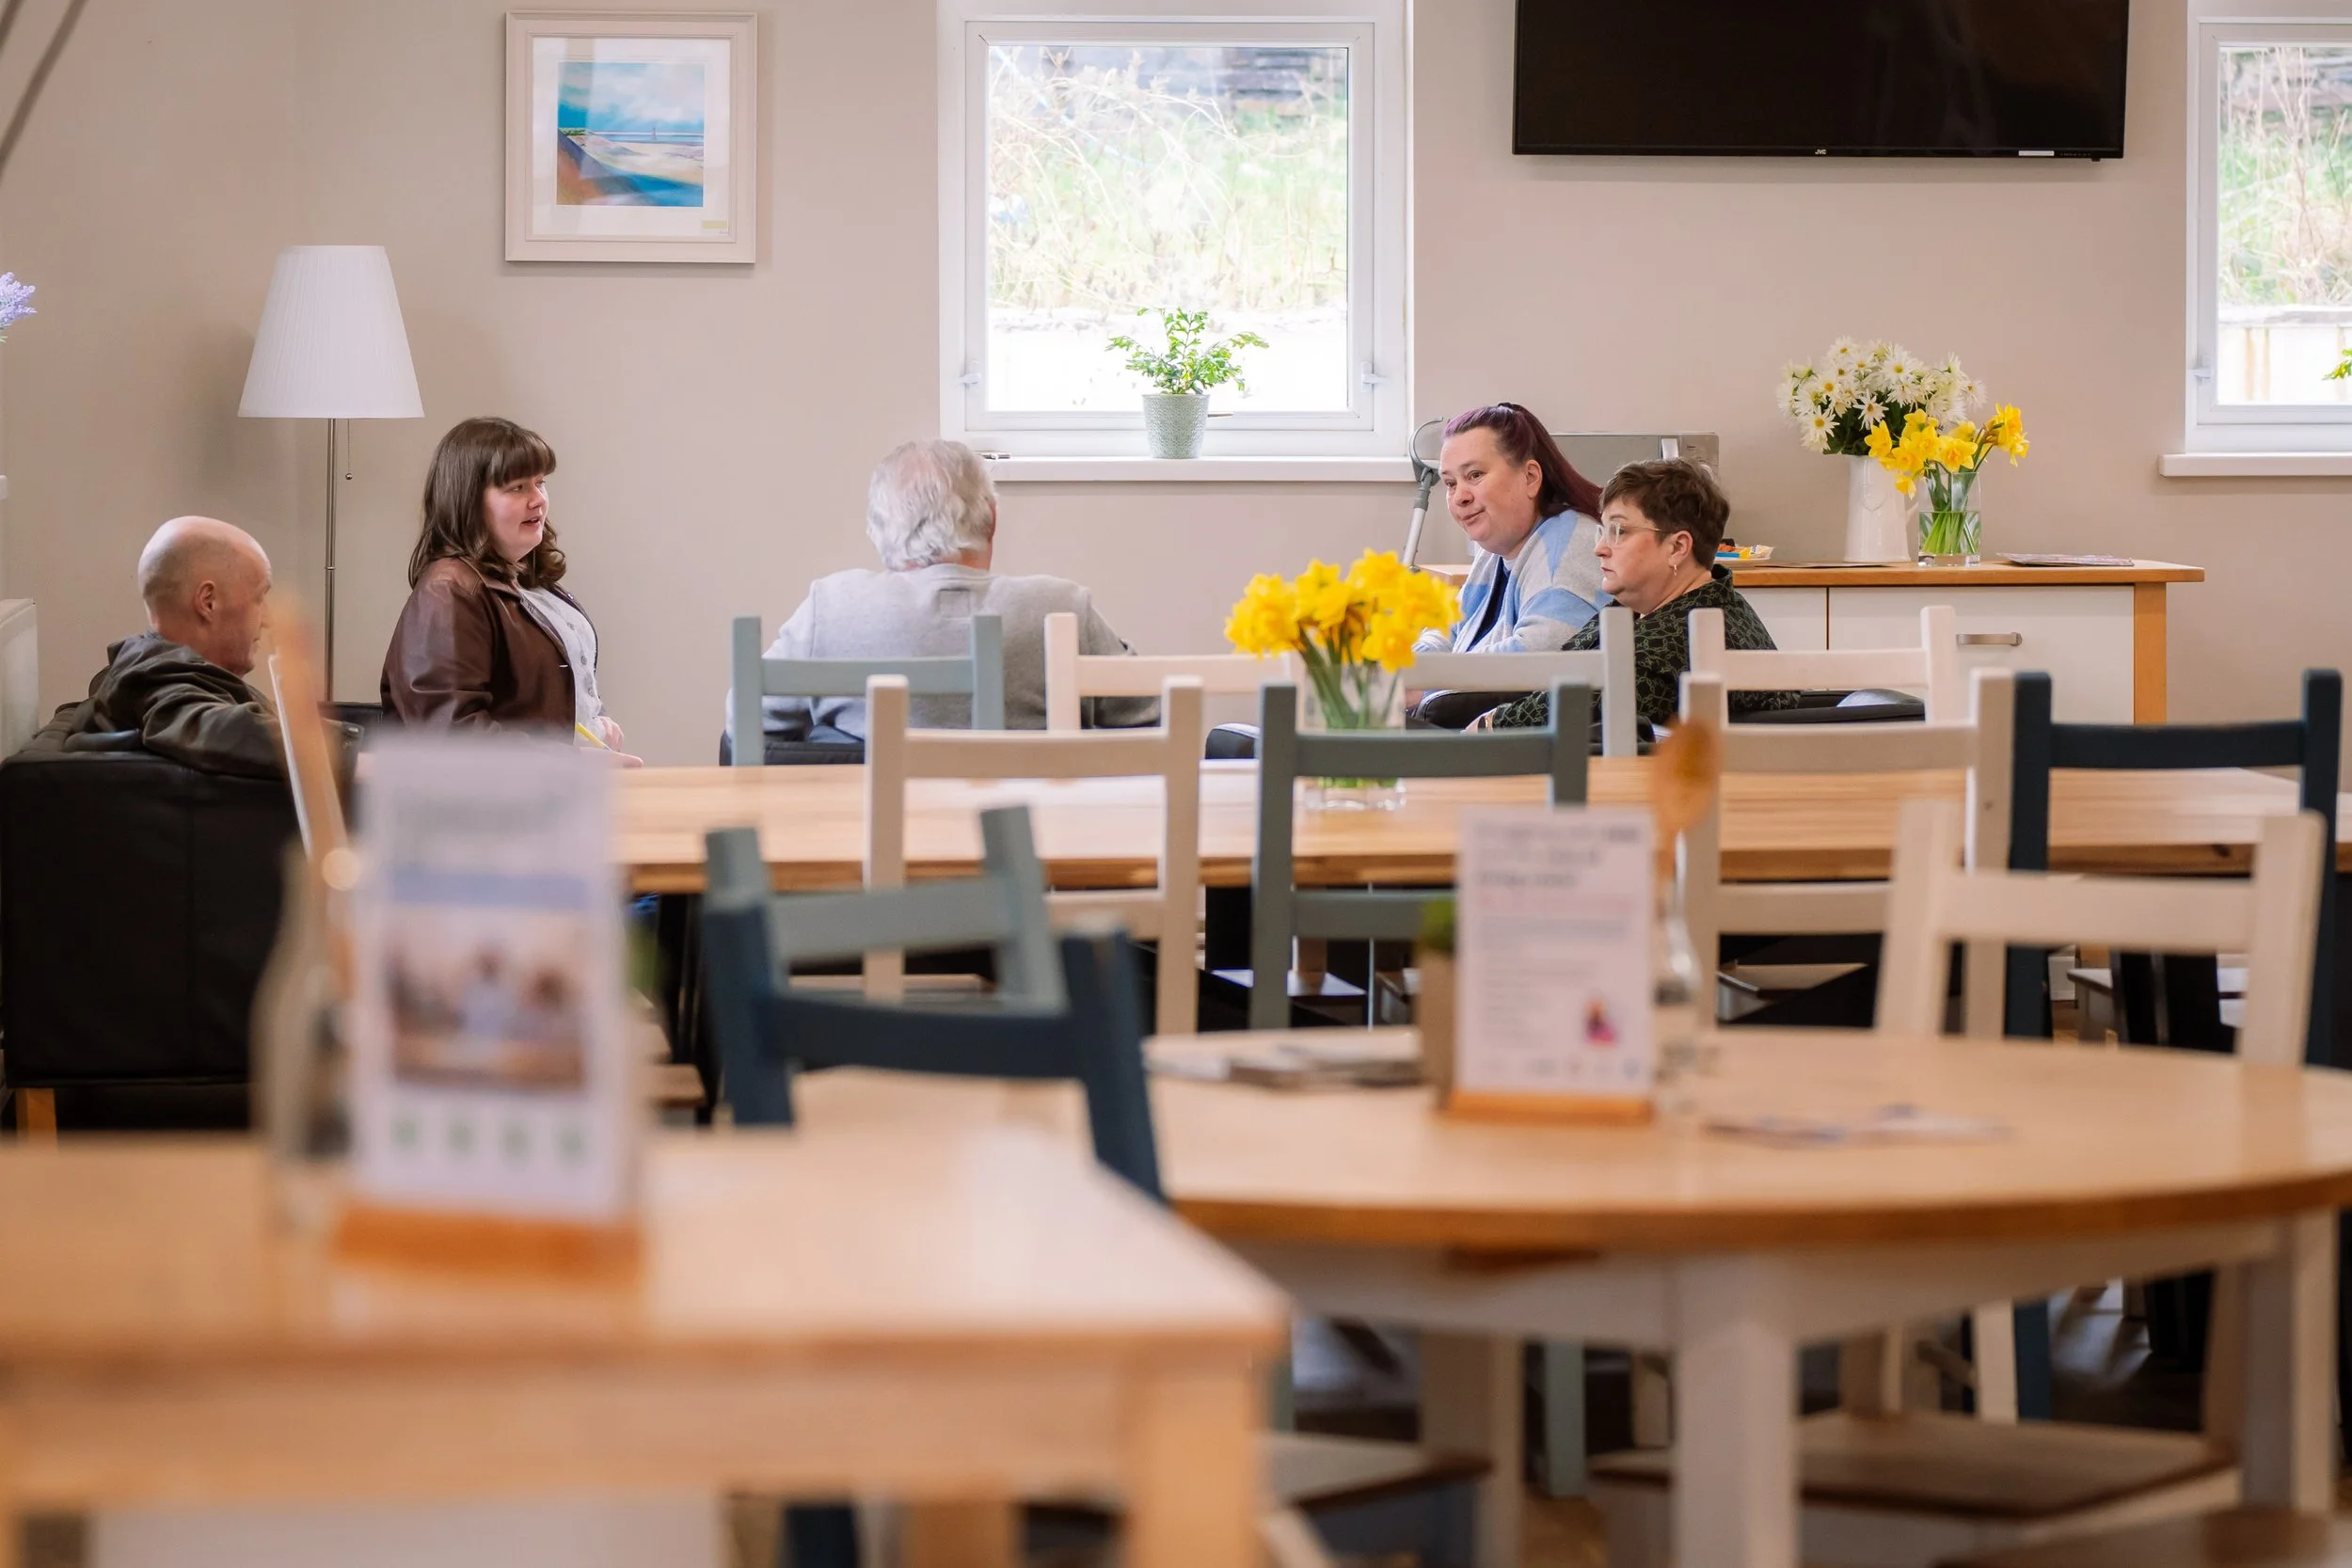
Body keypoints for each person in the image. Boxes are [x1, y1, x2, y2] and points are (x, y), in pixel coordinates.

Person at [729, 438, 1151, 752]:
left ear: (878, 531)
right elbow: (1152, 725)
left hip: (870, 854)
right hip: (1038, 856)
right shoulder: (1062, 607)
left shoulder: (832, 607)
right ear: (992, 519)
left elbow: (744, 726)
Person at [382, 417, 639, 763]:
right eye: (517, 487)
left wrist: (595, 726)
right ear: (469, 501)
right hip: (492, 811)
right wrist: (573, 762)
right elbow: (448, 736)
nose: (538, 500)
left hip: (553, 795)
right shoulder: (448, 591)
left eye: (540, 483)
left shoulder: (528, 581)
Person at [1486, 458, 1797, 733]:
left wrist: (1490, 724)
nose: (1600, 548)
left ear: (1677, 547)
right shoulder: (1647, 607)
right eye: (1602, 530)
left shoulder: (1679, 638)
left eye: (1619, 531)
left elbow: (1578, 709)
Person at [37, 516, 285, 777]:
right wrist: (319, 741)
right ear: (208, 602)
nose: (267, 619)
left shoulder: (157, 669)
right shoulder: (159, 683)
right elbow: (210, 729)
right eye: (259, 598)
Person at [1417, 403, 1609, 657]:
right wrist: (1411, 663)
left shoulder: (1572, 545)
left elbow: (1535, 656)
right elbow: (1448, 630)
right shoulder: (1496, 549)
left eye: (1475, 475)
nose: (1459, 497)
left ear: (1530, 477)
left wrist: (1430, 678)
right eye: (1451, 483)